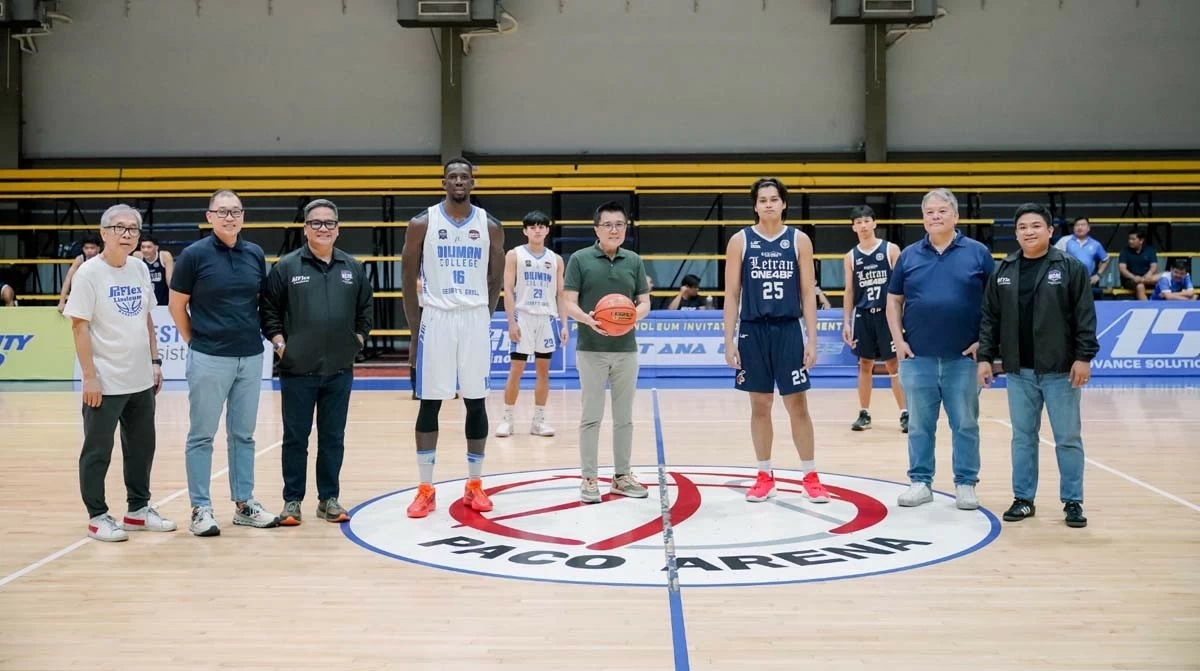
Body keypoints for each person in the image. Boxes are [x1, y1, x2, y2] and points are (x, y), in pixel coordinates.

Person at [978, 203, 1098, 529]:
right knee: (1023, 438)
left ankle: (1073, 501)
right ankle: (1023, 499)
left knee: (1068, 438)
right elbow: (990, 318)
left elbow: (1085, 317)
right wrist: (985, 358)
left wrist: (1084, 357)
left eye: (1035, 226)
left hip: (1061, 371)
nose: (1028, 232)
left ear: (1049, 231)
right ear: (1016, 233)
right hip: (1019, 373)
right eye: (1022, 227)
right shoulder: (1004, 270)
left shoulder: (1071, 268)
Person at [169, 189, 279, 536]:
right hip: (209, 357)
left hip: (250, 357)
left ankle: (244, 504)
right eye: (223, 211)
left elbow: (258, 301)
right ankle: (200, 508)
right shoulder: (193, 256)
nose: (230, 217)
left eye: (236, 211)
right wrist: (196, 344)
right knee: (202, 436)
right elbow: (176, 306)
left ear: (243, 216)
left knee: (243, 435)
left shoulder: (255, 254)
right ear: (210, 216)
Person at [63, 204, 174, 541]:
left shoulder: (140, 268)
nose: (127, 235)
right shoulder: (88, 274)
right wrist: (90, 376)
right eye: (120, 228)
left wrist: (155, 362)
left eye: (133, 229)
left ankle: (138, 510)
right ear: (104, 233)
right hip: (105, 379)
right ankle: (97, 515)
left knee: (142, 447)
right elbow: (79, 327)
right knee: (98, 450)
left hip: (140, 378)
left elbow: (147, 320)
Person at [401, 158, 504, 518]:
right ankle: (426, 489)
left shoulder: (489, 225)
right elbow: (407, 280)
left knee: (476, 402)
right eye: (452, 177)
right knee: (430, 403)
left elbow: (495, 280)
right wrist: (416, 331)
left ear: (472, 183)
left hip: (474, 318)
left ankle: (475, 485)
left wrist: (482, 317)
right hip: (437, 318)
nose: (458, 181)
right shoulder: (421, 223)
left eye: (464, 176)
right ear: (443, 182)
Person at [260, 199, 373, 525]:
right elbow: (269, 312)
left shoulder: (352, 268)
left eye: (329, 223)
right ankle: (292, 501)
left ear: (337, 229)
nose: (323, 228)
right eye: (316, 223)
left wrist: (357, 342)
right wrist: (282, 346)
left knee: (332, 437)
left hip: (338, 370)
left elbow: (366, 310)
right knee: (296, 439)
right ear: (305, 228)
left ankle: (329, 499)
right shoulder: (287, 267)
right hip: (297, 370)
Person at [722, 178, 830, 504]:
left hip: (788, 329)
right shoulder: (740, 241)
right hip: (753, 330)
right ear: (755, 205)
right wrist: (728, 340)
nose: (768, 204)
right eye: (763, 200)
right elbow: (731, 294)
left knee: (797, 404)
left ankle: (810, 476)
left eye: (774, 199)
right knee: (760, 405)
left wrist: (812, 338)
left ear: (783, 204)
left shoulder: (799, 240)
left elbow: (808, 293)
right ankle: (764, 474)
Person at [886, 188, 994, 510]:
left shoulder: (978, 253)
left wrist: (985, 342)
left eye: (942, 211)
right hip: (917, 358)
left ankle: (965, 483)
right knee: (919, 425)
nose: (935, 216)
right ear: (923, 218)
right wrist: (899, 341)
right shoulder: (909, 256)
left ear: (956, 216)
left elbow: (996, 303)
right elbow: (893, 300)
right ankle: (920, 482)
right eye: (929, 212)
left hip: (963, 359)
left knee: (965, 424)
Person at [562, 201, 652, 503]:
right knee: (591, 417)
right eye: (608, 225)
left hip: (626, 350)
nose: (615, 230)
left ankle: (621, 477)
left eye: (620, 224)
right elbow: (568, 302)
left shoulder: (634, 260)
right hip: (591, 348)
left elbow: (644, 303)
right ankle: (588, 478)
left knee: (624, 418)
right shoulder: (579, 259)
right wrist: (589, 319)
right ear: (596, 229)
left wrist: (629, 318)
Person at [496, 211, 568, 438]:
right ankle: (507, 419)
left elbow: (561, 293)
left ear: (547, 230)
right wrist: (511, 321)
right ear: (525, 230)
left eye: (541, 226)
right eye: (532, 226)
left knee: (543, 373)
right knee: (516, 371)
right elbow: (507, 289)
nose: (537, 230)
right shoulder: (514, 255)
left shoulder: (555, 259)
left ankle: (538, 421)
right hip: (523, 316)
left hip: (546, 318)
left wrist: (564, 324)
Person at [840, 205, 907, 433]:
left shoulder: (891, 250)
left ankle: (905, 413)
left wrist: (903, 318)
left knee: (893, 364)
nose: (863, 225)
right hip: (863, 315)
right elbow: (849, 291)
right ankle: (864, 413)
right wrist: (846, 321)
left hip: (887, 315)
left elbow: (902, 287)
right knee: (864, 364)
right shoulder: (850, 256)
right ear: (853, 227)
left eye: (866, 221)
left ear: (874, 223)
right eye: (858, 222)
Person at [1054, 216, 1109, 299]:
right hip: (1067, 282)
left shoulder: (1095, 244)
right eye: (1077, 225)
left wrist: (1098, 275)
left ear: (1088, 228)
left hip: (1086, 282)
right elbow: (1053, 256)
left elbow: (1106, 259)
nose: (1080, 227)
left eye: (1083, 225)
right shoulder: (1065, 240)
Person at [57, 237, 101, 313]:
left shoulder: (103, 259)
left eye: (92, 248)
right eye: (86, 248)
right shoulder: (80, 259)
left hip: (99, 293)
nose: (89, 250)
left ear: (98, 249)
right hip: (82, 294)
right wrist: (62, 302)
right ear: (83, 249)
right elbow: (68, 279)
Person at [133, 235, 174, 309]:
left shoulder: (164, 256)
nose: (145, 250)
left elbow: (169, 280)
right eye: (143, 247)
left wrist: (175, 300)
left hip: (163, 301)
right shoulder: (137, 256)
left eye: (149, 247)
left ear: (156, 247)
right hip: (145, 303)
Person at [1117, 230, 1159, 300]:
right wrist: (1134, 277)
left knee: (1164, 278)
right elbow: (1122, 269)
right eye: (1129, 239)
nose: (1130, 241)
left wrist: (1148, 274)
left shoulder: (1150, 250)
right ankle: (1147, 308)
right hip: (1130, 279)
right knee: (1140, 286)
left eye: (1133, 239)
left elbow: (1154, 266)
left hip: (1147, 278)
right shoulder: (1124, 251)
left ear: (1141, 240)